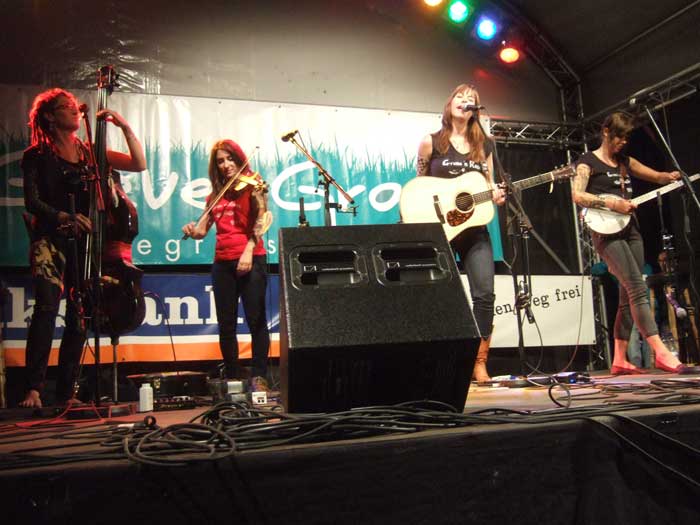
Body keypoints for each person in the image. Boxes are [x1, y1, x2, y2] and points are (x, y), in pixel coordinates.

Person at [20, 88, 146, 408]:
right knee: (47, 307)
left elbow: (138, 162)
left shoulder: (89, 151)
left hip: (83, 244)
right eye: (66, 107)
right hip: (49, 239)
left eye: (74, 105)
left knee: (79, 314)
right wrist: (64, 216)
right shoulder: (36, 155)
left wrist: (123, 125)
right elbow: (32, 201)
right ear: (49, 116)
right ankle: (33, 389)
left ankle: (66, 394)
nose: (75, 109)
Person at [572, 111, 688, 375]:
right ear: (606, 132)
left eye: (626, 138)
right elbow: (577, 195)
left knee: (628, 295)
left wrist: (670, 176)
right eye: (618, 137)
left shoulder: (626, 161)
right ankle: (661, 353)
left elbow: (657, 176)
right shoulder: (587, 162)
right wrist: (611, 203)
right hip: (606, 233)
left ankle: (619, 359)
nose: (622, 142)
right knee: (637, 287)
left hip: (630, 229)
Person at [415, 83, 506, 382]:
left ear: (474, 111)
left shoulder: (485, 146)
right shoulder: (431, 142)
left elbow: (489, 184)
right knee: (437, 296)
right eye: (459, 96)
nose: (464, 101)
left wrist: (496, 194)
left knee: (485, 294)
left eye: (471, 99)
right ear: (450, 102)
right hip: (438, 230)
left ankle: (478, 362)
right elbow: (418, 186)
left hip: (473, 228)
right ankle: (436, 361)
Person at [182, 139, 271, 391]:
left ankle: (259, 378)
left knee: (256, 320)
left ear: (239, 158)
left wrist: (248, 251)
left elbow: (263, 220)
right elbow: (201, 231)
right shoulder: (215, 195)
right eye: (220, 161)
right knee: (226, 323)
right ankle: (233, 378)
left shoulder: (254, 185)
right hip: (222, 263)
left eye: (230, 159)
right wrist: (192, 230)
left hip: (251, 258)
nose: (226, 164)